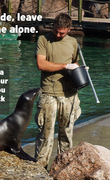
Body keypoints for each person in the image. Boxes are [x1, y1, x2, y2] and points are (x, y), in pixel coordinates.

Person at [34, 13, 82, 168]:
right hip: (49, 94)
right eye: (56, 31)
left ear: (69, 29)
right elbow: (41, 64)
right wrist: (64, 66)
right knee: (45, 136)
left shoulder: (73, 42)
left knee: (66, 135)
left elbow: (75, 62)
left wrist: (79, 71)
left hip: (69, 95)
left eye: (62, 32)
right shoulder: (43, 40)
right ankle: (40, 169)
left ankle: (62, 169)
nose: (58, 34)